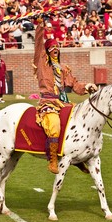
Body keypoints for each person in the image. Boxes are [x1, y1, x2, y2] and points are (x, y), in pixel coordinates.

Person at [33, 18, 97, 174]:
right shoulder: (42, 64)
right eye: (52, 47)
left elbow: (74, 84)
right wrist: (40, 26)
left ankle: (77, 159)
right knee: (54, 125)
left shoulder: (63, 68)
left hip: (63, 102)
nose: (55, 49)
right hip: (48, 101)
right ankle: (53, 159)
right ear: (47, 51)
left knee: (79, 121)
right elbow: (39, 45)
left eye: (57, 47)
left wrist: (87, 87)